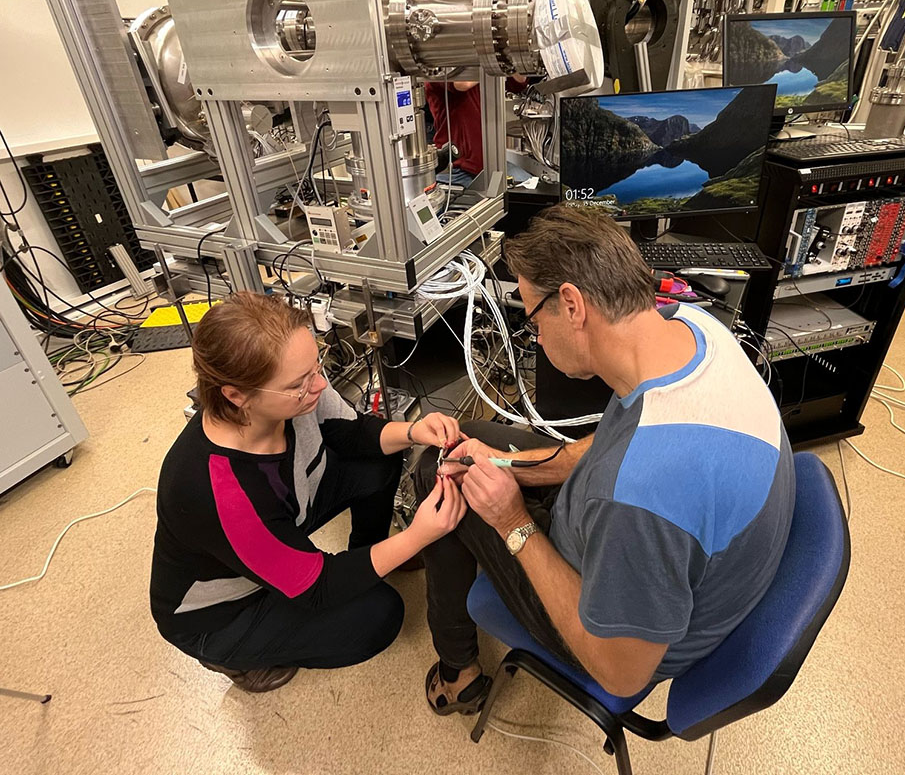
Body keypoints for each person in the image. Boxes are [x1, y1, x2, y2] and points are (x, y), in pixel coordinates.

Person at [415, 204, 795, 713]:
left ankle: (457, 672)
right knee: (468, 442)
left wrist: (513, 522)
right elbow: (617, 438)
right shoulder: (694, 329)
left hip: (617, 636)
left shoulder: (641, 494)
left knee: (435, 472)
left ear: (571, 305)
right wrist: (524, 468)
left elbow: (620, 673)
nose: (537, 338)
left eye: (533, 320)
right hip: (643, 557)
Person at [150, 292, 466, 693]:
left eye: (315, 366)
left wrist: (412, 431)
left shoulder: (296, 390)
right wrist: (417, 536)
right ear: (236, 395)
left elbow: (353, 434)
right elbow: (317, 587)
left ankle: (365, 557)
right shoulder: (219, 492)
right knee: (380, 617)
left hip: (284, 517)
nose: (318, 384)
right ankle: (235, 657)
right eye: (299, 384)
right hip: (222, 614)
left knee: (379, 458)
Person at [425, 79, 532, 187]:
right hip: (457, 168)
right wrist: (491, 63)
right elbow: (462, 84)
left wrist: (510, 64)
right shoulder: (436, 68)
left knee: (532, 192)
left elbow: (519, 81)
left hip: (492, 162)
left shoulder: (482, 70)